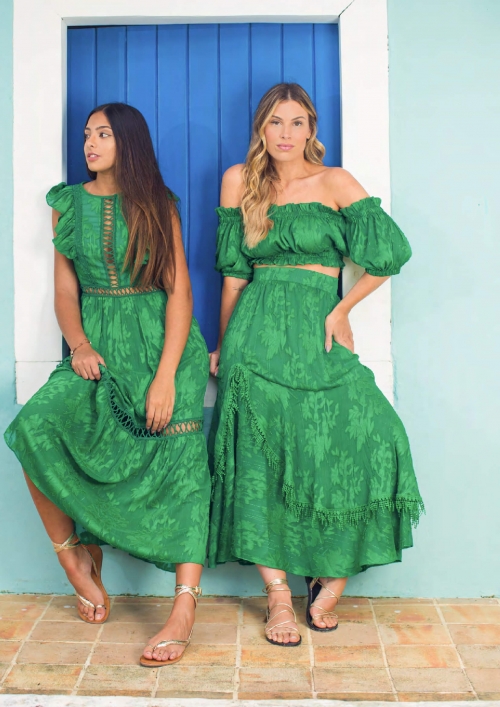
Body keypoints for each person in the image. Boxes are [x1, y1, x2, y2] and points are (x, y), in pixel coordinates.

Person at [208, 83, 424, 646]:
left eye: (297, 122)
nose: (286, 134)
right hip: (254, 336)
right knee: (258, 461)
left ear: (311, 129)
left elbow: (388, 256)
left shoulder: (336, 181)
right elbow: (234, 276)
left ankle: (332, 577)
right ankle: (278, 595)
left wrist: (342, 309)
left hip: (316, 330)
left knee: (372, 434)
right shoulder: (239, 181)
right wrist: (223, 345)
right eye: (275, 122)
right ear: (261, 128)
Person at [4, 103, 210, 667]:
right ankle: (73, 555)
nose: (90, 144)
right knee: (36, 427)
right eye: (86, 135)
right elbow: (64, 290)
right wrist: (78, 345)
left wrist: (166, 377)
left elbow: (180, 293)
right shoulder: (67, 205)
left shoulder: (158, 204)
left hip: (163, 346)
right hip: (97, 345)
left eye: (103, 134)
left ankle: (184, 607)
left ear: (129, 142)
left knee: (183, 462)